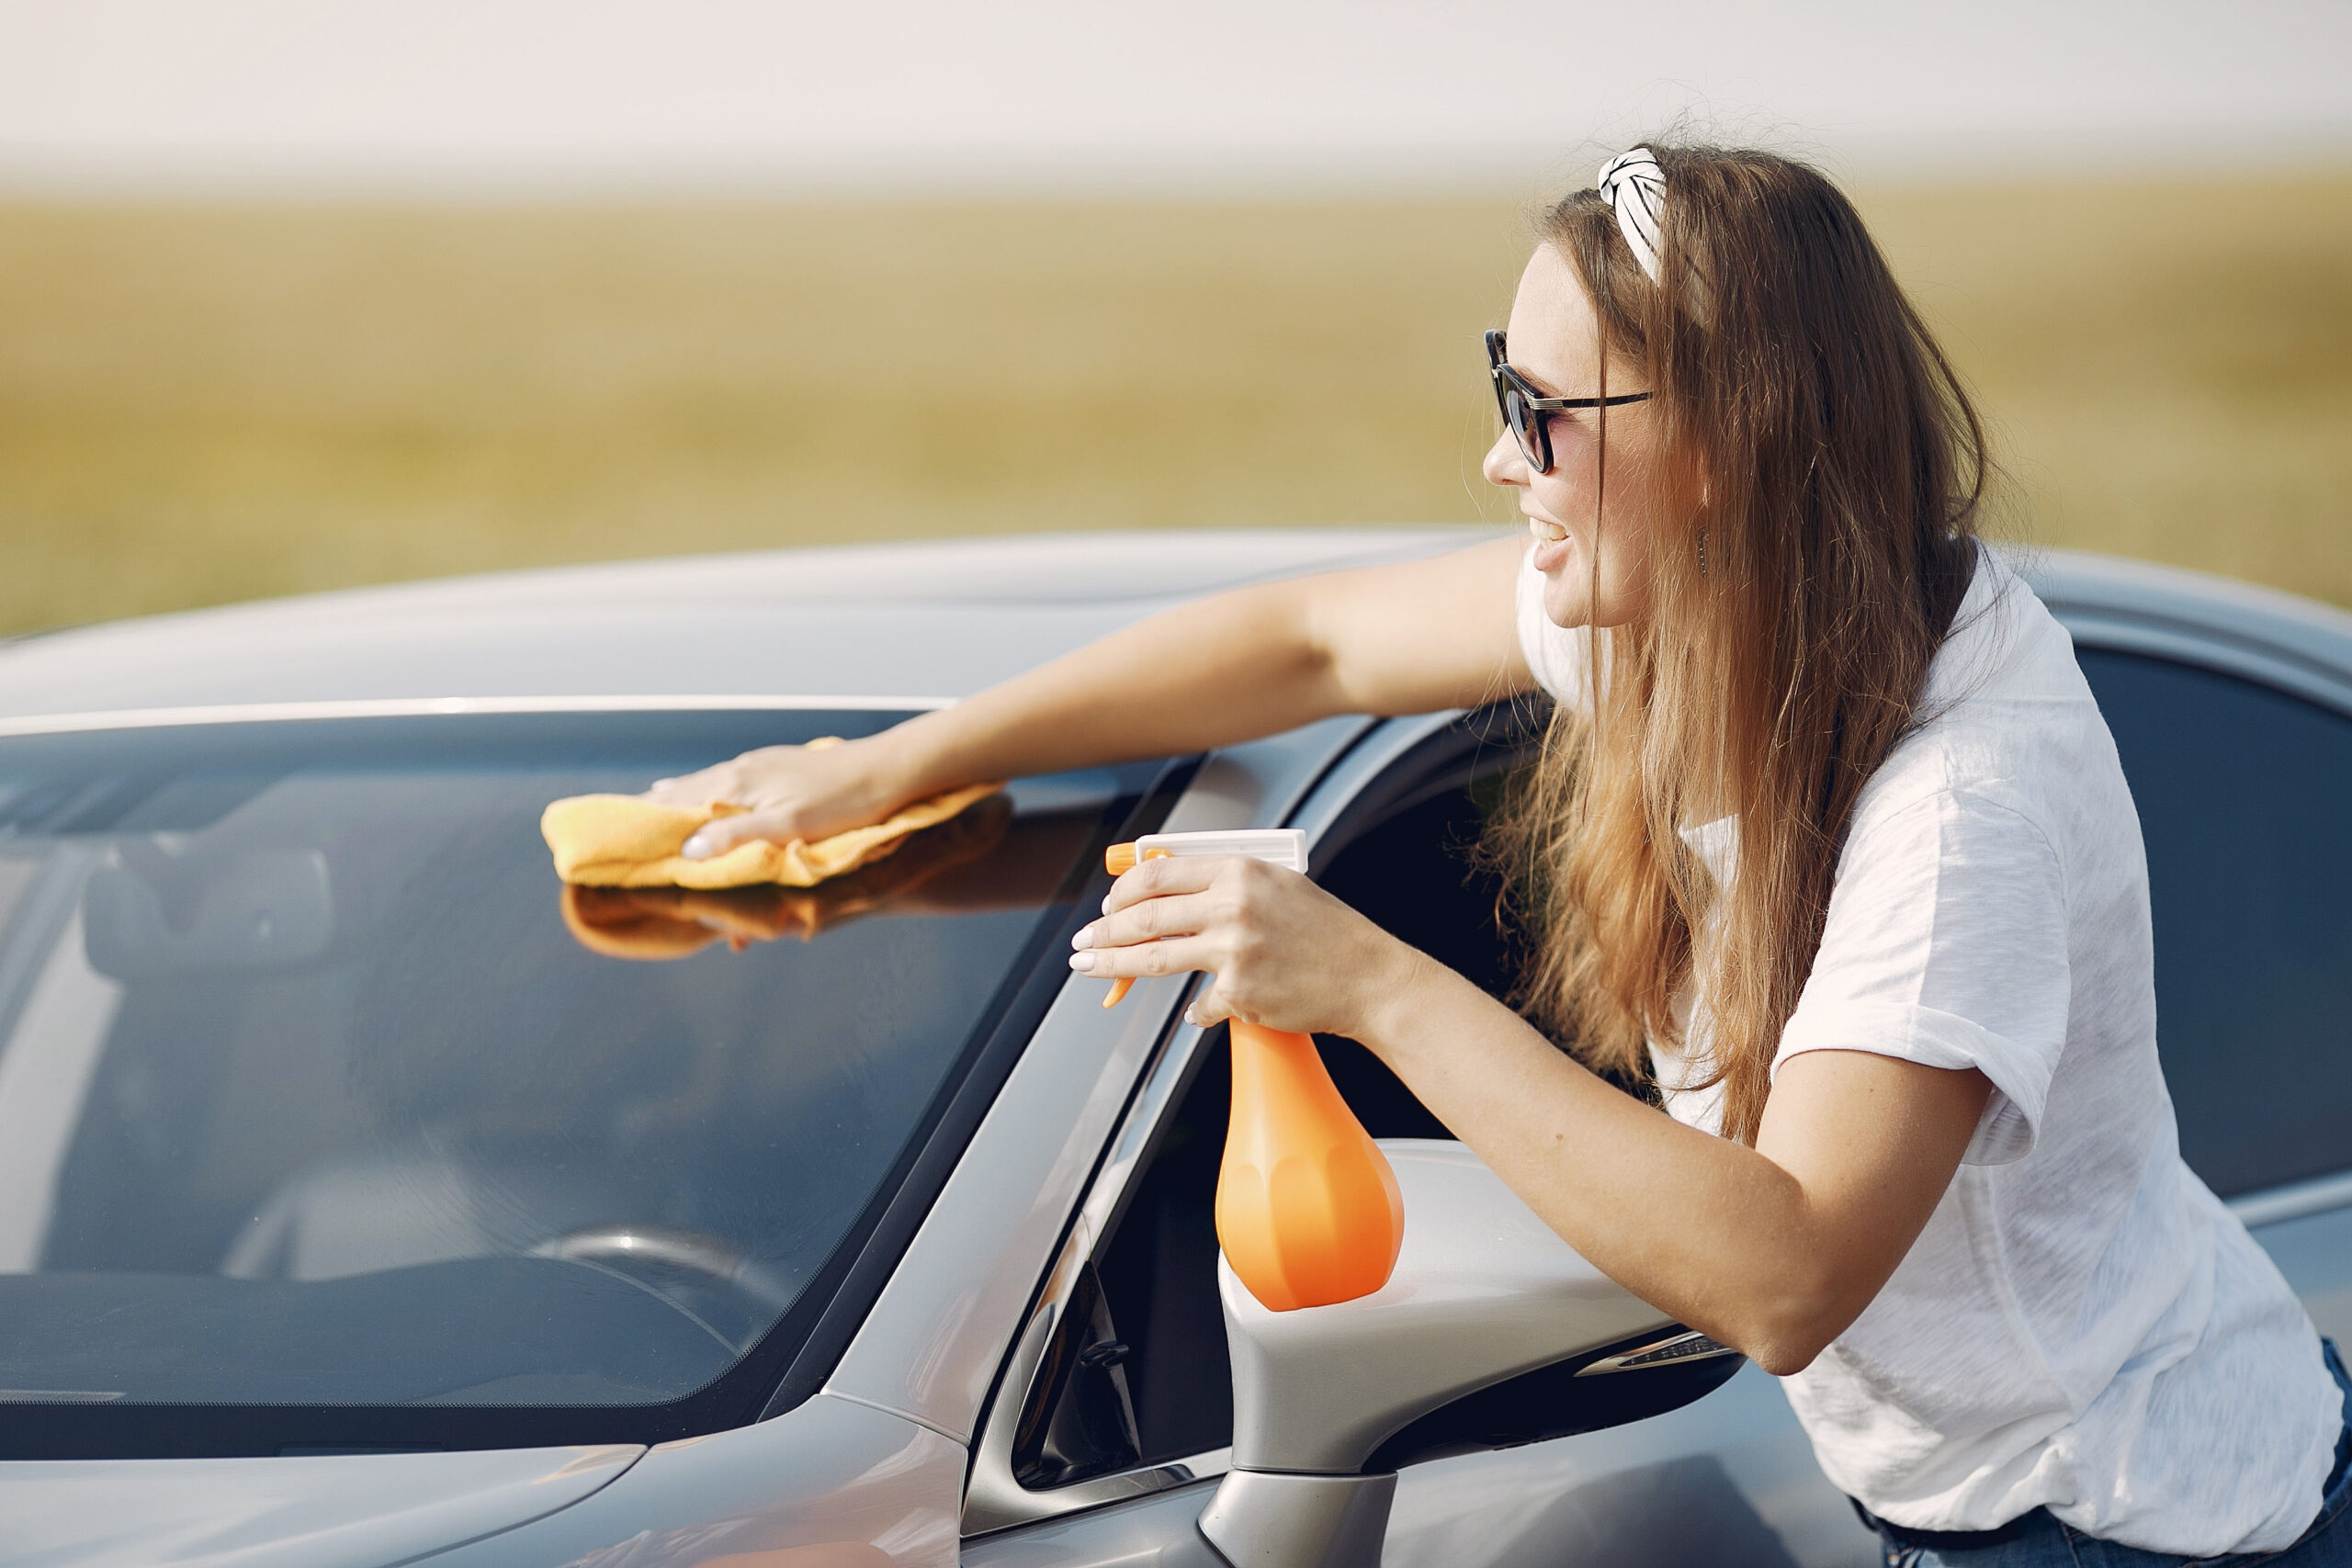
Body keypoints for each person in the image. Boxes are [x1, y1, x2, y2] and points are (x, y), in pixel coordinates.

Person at [647, 141, 2348, 1564]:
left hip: (2132, 1522)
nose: (1497, 457)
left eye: (1544, 410)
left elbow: (1786, 1270)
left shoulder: (1964, 804)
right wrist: (898, 765)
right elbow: (1309, 644)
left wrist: (1369, 983)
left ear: (1722, 447)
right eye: (1499, 382)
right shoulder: (1685, 613)